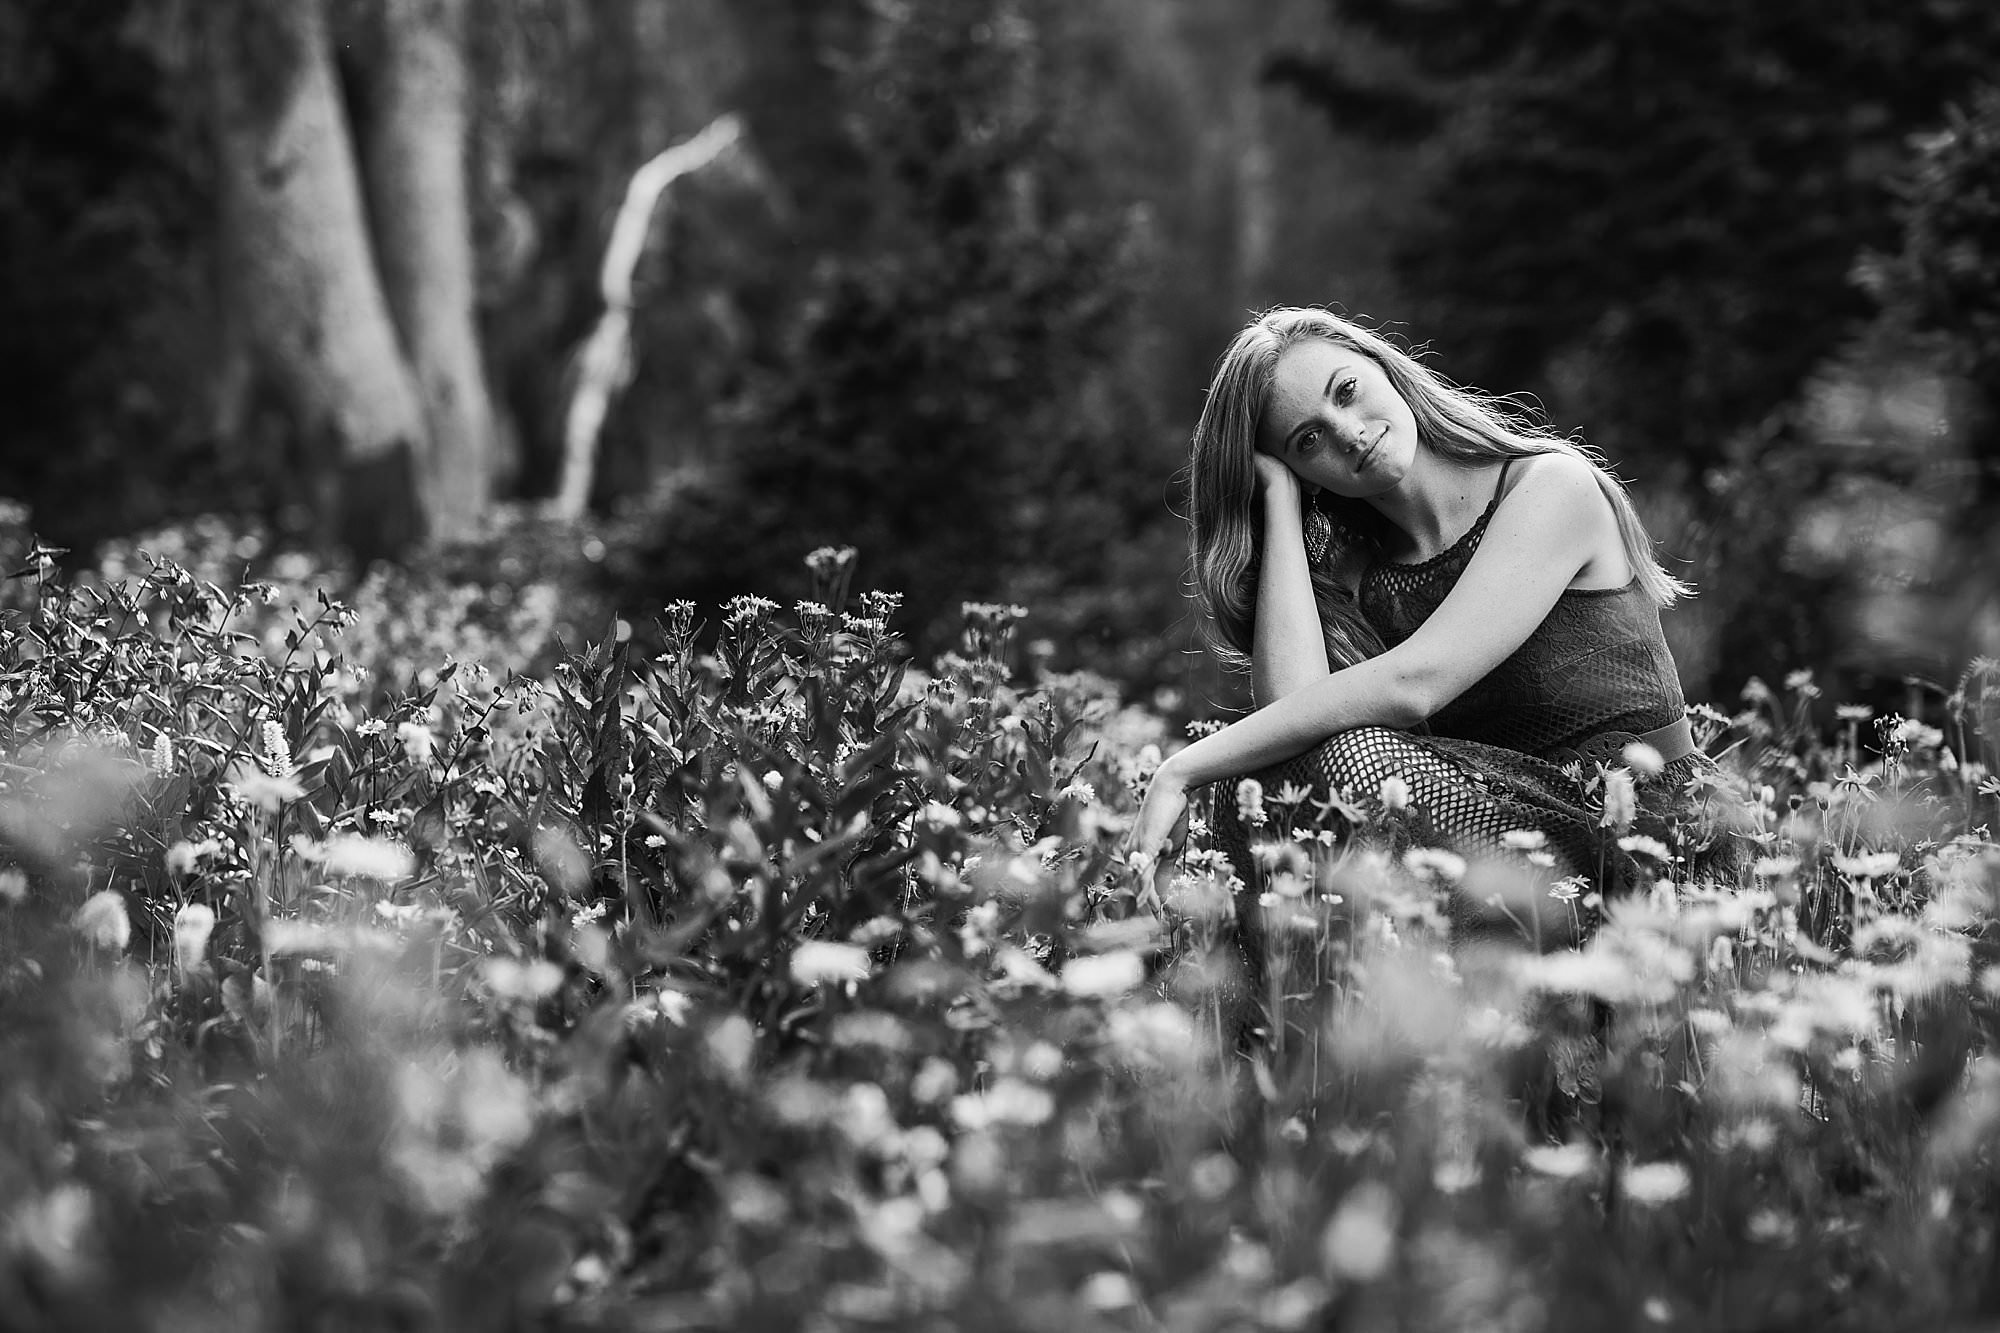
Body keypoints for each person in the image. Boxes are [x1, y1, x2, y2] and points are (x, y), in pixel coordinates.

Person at [1126, 306, 1735, 930]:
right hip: (1507, 844)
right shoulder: (1361, 570)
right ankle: (1318, 1014)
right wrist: (1279, 501)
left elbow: (1415, 686)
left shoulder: (1552, 489)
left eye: (1347, 392)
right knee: (1255, 784)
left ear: (1385, 368)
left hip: (1652, 843)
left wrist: (1185, 767)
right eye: (1307, 441)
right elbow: (1298, 717)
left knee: (1328, 762)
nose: (1348, 432)